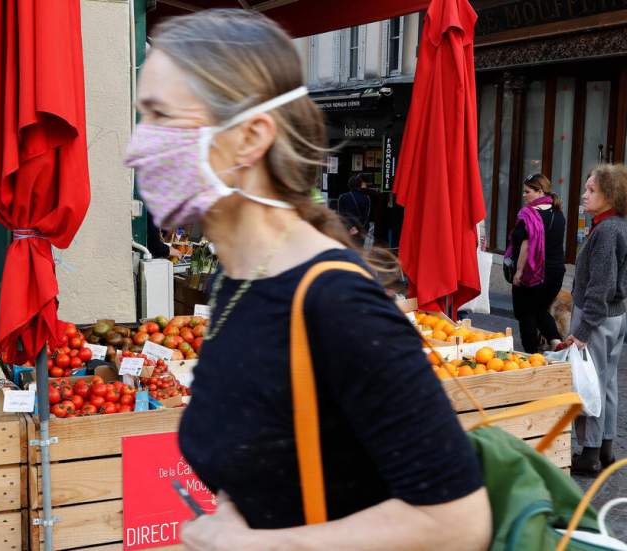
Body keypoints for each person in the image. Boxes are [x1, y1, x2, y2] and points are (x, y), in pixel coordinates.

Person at [125, 10, 490, 551]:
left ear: (250, 137)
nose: (136, 147)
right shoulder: (239, 279)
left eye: (160, 116)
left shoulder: (338, 302)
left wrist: (256, 545)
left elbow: (459, 523)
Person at [565, 164, 627, 476]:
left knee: (590, 383)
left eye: (591, 190)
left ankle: (590, 453)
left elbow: (601, 284)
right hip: (615, 316)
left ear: (610, 195)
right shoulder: (617, 225)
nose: (584, 194)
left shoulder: (607, 230)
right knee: (607, 382)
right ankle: (605, 448)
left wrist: (582, 329)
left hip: (598, 317)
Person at [507, 173, 566, 353]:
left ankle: (531, 355)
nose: (524, 195)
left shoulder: (529, 215)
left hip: (533, 273)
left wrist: (518, 272)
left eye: (527, 191)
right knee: (540, 310)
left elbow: (526, 245)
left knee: (526, 314)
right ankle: (557, 344)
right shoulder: (558, 214)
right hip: (556, 273)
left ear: (539, 191)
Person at [337, 174, 372, 246]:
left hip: (348, 228)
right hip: (362, 228)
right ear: (360, 185)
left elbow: (341, 215)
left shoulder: (343, 197)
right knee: (360, 249)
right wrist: (361, 228)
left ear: (349, 185)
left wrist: (351, 227)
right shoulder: (367, 198)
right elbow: (367, 215)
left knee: (349, 248)